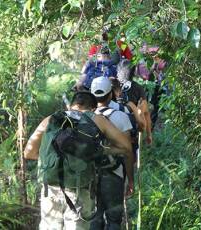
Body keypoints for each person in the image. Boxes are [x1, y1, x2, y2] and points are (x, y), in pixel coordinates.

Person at [24, 91, 134, 230]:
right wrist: (100, 150)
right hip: (79, 189)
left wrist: (54, 159)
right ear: (93, 108)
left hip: (50, 188)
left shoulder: (51, 119)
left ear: (71, 105)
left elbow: (28, 152)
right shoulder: (96, 119)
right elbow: (126, 147)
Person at [89, 77, 134, 230]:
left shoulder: (85, 118)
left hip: (89, 174)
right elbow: (128, 152)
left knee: (94, 218)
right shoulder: (121, 117)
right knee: (114, 220)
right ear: (110, 95)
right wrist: (130, 180)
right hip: (114, 174)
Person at [116, 59, 153, 145]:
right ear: (133, 72)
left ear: (118, 71)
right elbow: (146, 113)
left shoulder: (113, 85)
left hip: (112, 125)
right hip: (131, 126)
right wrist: (149, 135)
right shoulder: (138, 88)